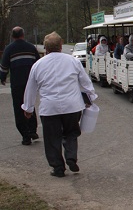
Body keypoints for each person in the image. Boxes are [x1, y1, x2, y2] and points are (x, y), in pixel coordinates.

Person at [21, 32, 97, 177]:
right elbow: (85, 81)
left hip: (50, 108)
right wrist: (91, 97)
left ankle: (58, 168)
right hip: (72, 106)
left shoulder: (38, 65)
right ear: (61, 45)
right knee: (71, 133)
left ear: (45, 47)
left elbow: (30, 88)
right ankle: (71, 157)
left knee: (52, 138)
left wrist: (28, 107)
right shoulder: (72, 61)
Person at [0, 27, 40, 145]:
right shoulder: (31, 48)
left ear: (13, 36)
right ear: (23, 35)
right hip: (30, 83)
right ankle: (33, 130)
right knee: (30, 105)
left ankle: (25, 135)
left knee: (19, 108)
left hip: (17, 83)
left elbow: (4, 66)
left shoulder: (9, 49)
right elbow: (38, 64)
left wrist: (2, 78)